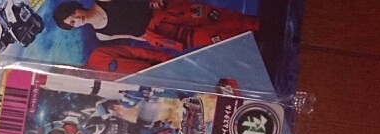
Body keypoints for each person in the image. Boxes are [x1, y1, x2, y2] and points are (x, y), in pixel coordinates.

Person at [52, 0, 259, 53]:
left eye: (73, 14)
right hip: (159, 34)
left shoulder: (103, 1)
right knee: (211, 37)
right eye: (72, 23)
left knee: (215, 16)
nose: (77, 19)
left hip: (165, 11)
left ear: (75, 7)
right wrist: (156, 40)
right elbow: (135, 36)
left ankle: (257, 24)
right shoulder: (101, 36)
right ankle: (252, 36)